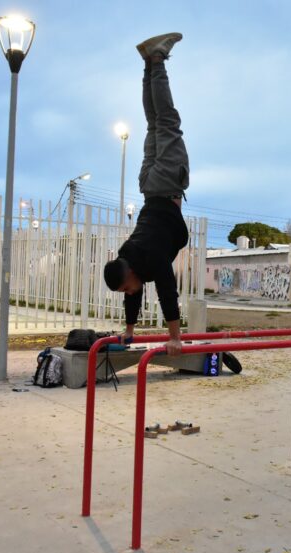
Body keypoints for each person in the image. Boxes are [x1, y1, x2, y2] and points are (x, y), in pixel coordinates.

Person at [104, 33, 189, 356]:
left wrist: (175, 337)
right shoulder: (129, 254)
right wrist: (128, 330)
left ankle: (156, 60)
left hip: (166, 183)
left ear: (128, 273)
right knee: (153, 124)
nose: (129, 293)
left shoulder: (149, 257)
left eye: (126, 287)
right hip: (149, 186)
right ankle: (147, 64)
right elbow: (135, 294)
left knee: (167, 122)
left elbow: (168, 290)